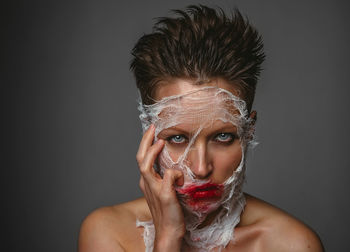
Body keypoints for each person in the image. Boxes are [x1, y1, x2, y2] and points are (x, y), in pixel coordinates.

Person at [78, 5, 324, 252]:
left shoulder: (293, 245)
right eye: (177, 138)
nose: (200, 168)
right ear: (148, 134)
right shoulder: (107, 234)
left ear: (249, 131)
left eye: (223, 136)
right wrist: (168, 238)